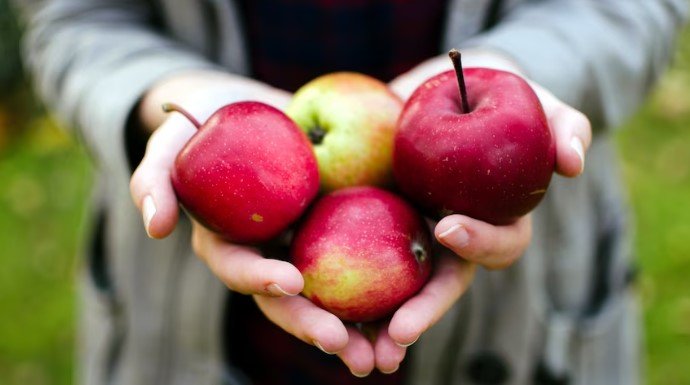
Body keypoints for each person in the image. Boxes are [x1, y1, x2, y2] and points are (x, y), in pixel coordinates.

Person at [18, 0, 686, 384]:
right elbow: (73, 17)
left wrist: (517, 70)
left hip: (521, 319)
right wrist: (176, 98)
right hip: (189, 325)